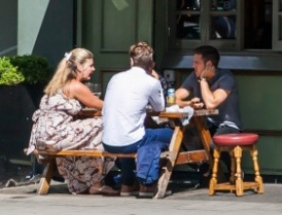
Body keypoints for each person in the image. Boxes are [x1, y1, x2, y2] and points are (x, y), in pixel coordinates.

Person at [25, 49, 114, 195]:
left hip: (44, 137)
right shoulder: (76, 86)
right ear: (79, 67)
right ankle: (94, 181)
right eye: (90, 65)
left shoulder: (58, 83)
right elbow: (105, 106)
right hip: (56, 137)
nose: (94, 69)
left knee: (88, 133)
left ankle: (90, 181)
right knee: (103, 125)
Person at [101, 42, 173, 196]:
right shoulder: (152, 82)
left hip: (107, 140)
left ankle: (128, 182)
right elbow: (159, 108)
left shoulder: (115, 78)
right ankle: (147, 183)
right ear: (151, 65)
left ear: (132, 61)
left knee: (134, 135)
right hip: (131, 141)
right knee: (171, 135)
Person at [175, 45, 242, 134]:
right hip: (205, 124)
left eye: (196, 63)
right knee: (182, 138)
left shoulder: (226, 78)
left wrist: (203, 80)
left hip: (227, 125)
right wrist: (189, 104)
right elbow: (173, 98)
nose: (193, 66)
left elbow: (211, 104)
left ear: (209, 64)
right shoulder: (194, 76)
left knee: (213, 145)